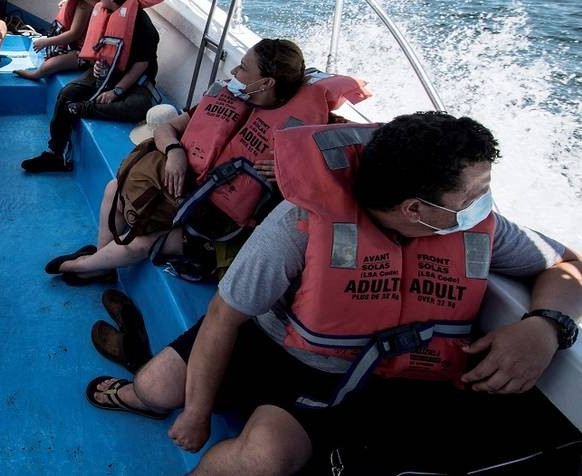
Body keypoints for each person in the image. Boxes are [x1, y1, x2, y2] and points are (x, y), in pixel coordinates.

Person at [85, 112, 582, 475]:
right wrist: (194, 413)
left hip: (343, 381)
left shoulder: (481, 231)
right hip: (262, 340)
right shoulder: (299, 224)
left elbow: (568, 265)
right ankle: (139, 397)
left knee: (263, 460)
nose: (484, 206)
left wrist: (544, 326)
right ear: (416, 208)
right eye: (473, 197)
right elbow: (222, 317)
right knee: (157, 389)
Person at [47, 39, 370, 284]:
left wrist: (294, 171)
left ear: (267, 83)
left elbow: (346, 174)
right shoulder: (230, 96)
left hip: (214, 219)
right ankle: (102, 259)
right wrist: (174, 151)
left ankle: (83, 267)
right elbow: (167, 128)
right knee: (113, 188)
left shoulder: (309, 129)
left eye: (243, 68)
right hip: (180, 186)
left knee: (144, 242)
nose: (234, 72)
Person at [21, 0, 163, 173]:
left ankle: (81, 108)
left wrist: (117, 91)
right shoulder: (105, 13)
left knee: (137, 107)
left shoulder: (143, 26)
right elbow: (100, 48)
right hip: (104, 73)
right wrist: (97, 65)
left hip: (133, 81)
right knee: (67, 93)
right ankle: (55, 154)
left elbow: (142, 64)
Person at [14, 0, 103, 81]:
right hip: (80, 47)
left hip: (82, 53)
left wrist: (45, 42)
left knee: (48, 66)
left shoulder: (85, 4)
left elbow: (74, 34)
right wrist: (67, 3)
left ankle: (36, 75)